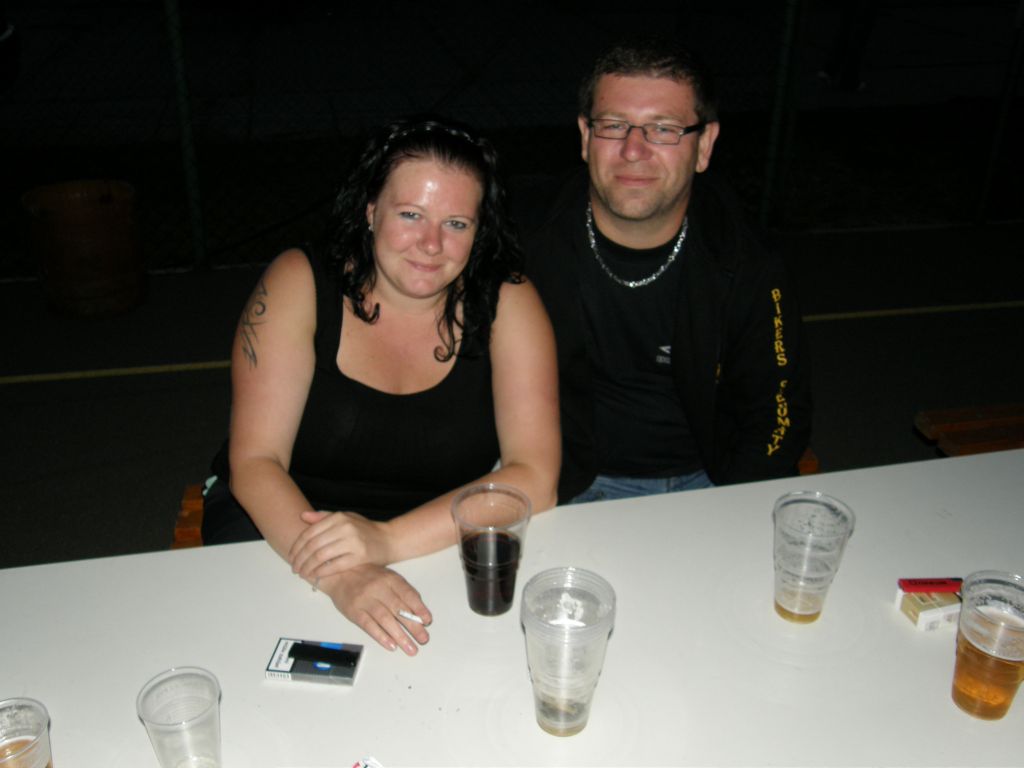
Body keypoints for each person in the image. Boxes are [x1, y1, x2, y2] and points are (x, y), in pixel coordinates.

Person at [202, 118, 560, 654]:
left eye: (456, 223)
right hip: (278, 524)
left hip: (432, 536)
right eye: (410, 214)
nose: (431, 244)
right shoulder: (299, 282)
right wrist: (342, 574)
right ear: (370, 211)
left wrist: (385, 541)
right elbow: (255, 462)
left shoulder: (507, 301)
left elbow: (536, 477)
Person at [519, 38, 810, 504]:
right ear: (585, 136)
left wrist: (737, 506)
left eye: (664, 129)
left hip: (708, 479)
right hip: (561, 474)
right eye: (614, 125)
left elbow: (777, 415)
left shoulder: (747, 263)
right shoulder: (526, 244)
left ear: (704, 145)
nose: (634, 150)